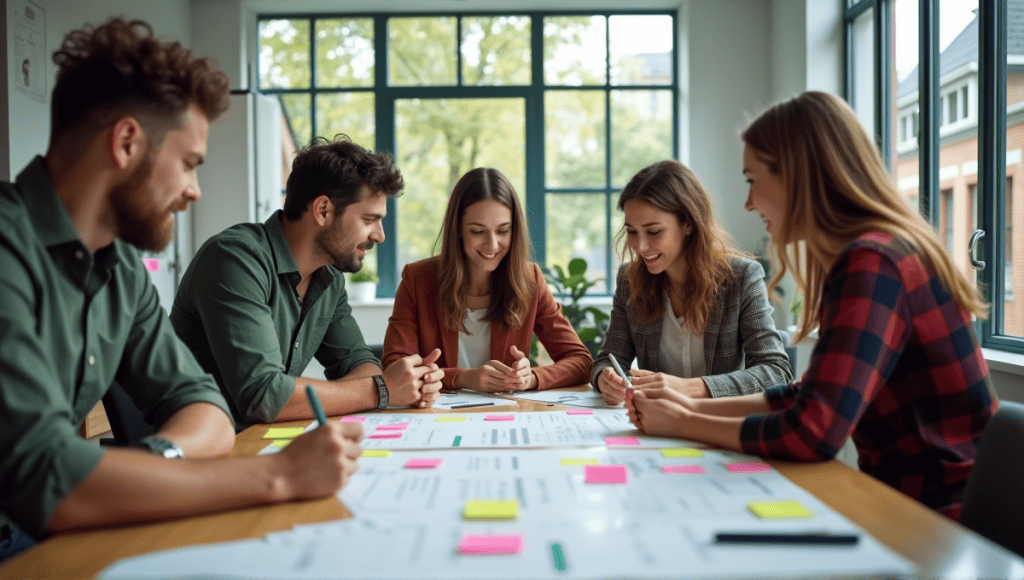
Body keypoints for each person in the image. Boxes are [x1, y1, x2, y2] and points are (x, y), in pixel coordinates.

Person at [0, 18, 364, 554]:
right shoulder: (9, 249)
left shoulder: (121, 270)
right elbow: (50, 480)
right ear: (126, 142)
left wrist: (149, 467)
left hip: (58, 537)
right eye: (189, 164)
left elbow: (207, 411)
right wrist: (279, 476)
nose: (195, 191)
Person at [627, 91, 997, 519]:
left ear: (797, 175)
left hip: (938, 519)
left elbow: (814, 431)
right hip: (913, 502)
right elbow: (810, 395)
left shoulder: (873, 263)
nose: (748, 203)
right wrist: (690, 408)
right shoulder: (881, 251)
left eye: (752, 179)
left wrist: (684, 422)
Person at [171, 136, 444, 431]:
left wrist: (384, 385)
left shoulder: (328, 278)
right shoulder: (235, 260)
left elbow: (359, 363)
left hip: (261, 439)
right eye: (369, 220)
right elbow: (264, 397)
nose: (380, 236)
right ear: (323, 210)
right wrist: (382, 389)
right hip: (191, 452)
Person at [592, 160, 793, 405]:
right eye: (632, 231)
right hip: (656, 424)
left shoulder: (742, 278)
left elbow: (775, 372)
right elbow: (609, 359)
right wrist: (605, 378)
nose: (640, 246)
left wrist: (689, 388)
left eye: (654, 232)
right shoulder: (629, 280)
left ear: (688, 223)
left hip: (718, 424)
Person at [383, 167, 592, 392]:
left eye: (503, 231)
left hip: (504, 415)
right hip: (436, 416)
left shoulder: (530, 280)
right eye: (478, 231)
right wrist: (464, 378)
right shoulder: (417, 279)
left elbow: (581, 361)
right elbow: (395, 369)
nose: (492, 245)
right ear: (458, 229)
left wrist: (531, 377)